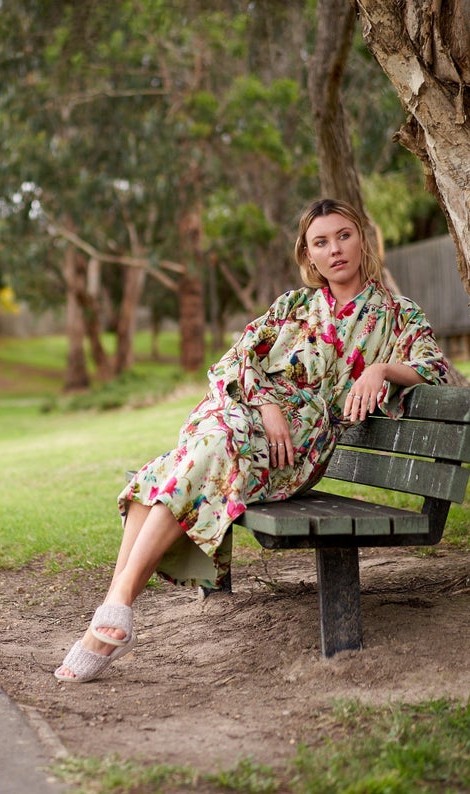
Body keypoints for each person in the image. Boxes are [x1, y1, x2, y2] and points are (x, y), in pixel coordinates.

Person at [54, 197, 449, 683]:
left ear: (362, 238)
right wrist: (264, 405)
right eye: (320, 242)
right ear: (308, 255)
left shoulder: (395, 314)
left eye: (343, 236)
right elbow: (234, 361)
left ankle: (113, 612)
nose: (335, 250)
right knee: (202, 451)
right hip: (246, 416)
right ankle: (115, 609)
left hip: (295, 448)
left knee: (188, 462)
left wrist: (381, 368)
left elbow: (434, 368)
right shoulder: (293, 307)